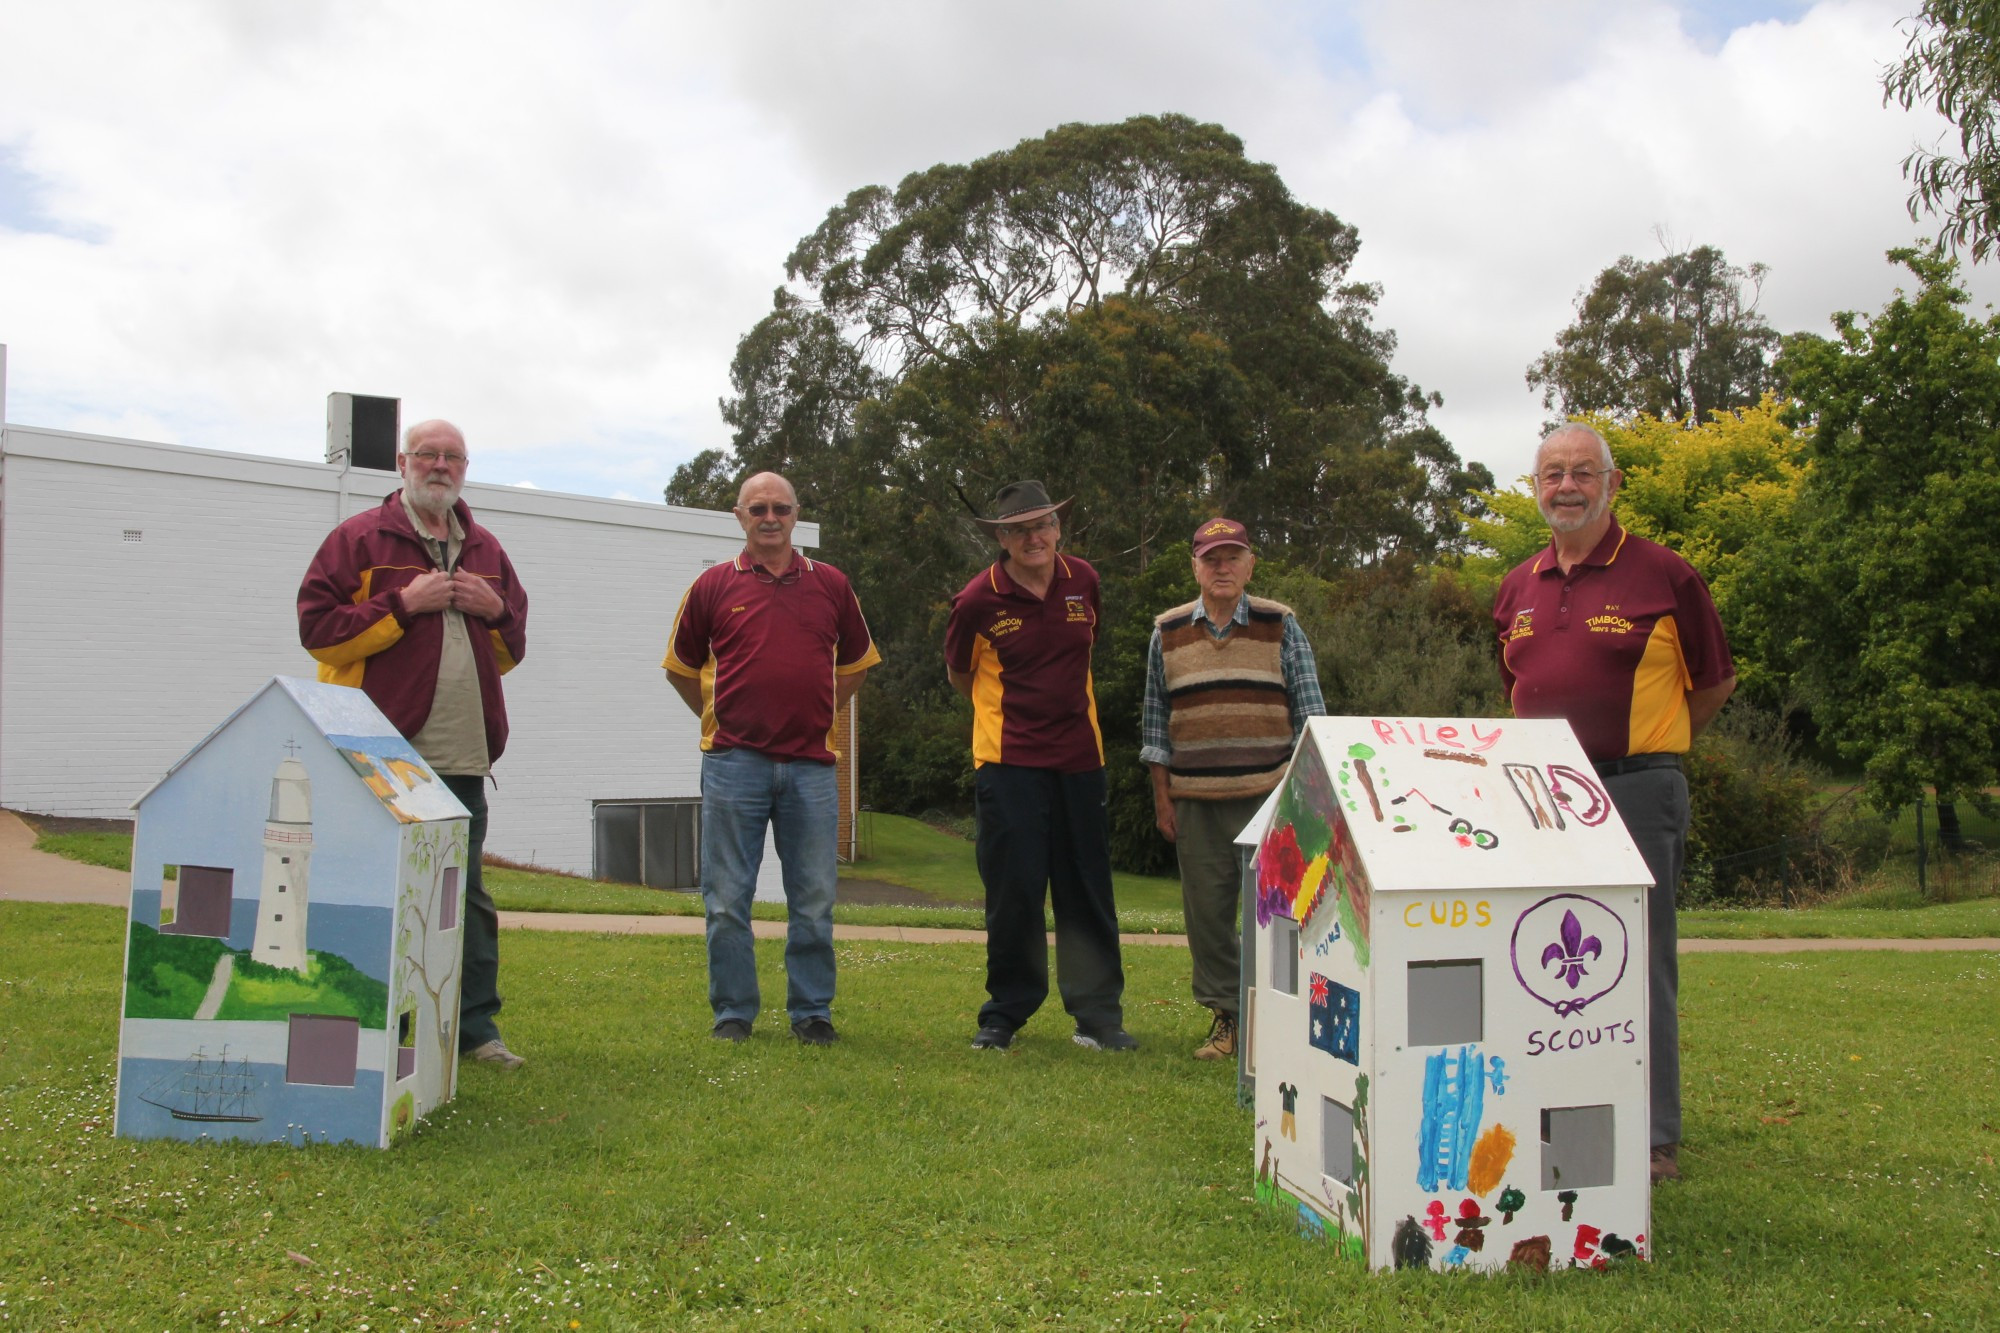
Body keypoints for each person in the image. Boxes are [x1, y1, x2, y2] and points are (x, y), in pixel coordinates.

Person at [1491, 423, 1736, 1183]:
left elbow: (1715, 680)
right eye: (1551, 474)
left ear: (1613, 482)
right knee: (1537, 951)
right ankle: (1552, 1101)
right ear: (1536, 487)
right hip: (1541, 795)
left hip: (1636, 789)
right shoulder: (1517, 584)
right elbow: (1516, 684)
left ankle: (1654, 1131)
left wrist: (1651, 751)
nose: (1566, 486)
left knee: (1639, 958)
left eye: (1582, 473)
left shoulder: (1664, 574)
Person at [299, 419, 530, 1069]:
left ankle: (477, 1029)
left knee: (465, 893)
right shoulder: (358, 541)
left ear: (464, 467)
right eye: (427, 454)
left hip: (463, 753)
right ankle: (361, 1012)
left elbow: (513, 646)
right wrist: (404, 604)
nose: (440, 465)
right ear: (402, 462)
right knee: (373, 881)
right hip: (380, 749)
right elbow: (318, 630)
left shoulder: (485, 548)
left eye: (452, 456)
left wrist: (495, 610)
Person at [664, 472, 879, 1046]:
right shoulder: (711, 586)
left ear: (795, 515)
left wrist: (823, 707)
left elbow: (857, 661)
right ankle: (733, 1013)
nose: (769, 517)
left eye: (780, 508)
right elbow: (680, 669)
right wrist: (720, 717)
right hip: (734, 765)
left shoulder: (831, 584)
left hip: (811, 766)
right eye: (757, 508)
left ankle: (812, 1013)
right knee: (728, 899)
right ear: (739, 516)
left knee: (813, 899)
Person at [944, 481, 1133, 1053]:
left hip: (1080, 760)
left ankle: (1097, 1018)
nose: (1034, 537)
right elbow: (961, 675)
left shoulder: (1085, 581)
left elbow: (1085, 649)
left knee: (1087, 891)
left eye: (1043, 525)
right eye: (1019, 528)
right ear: (1001, 538)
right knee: (1015, 892)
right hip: (1008, 765)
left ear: (1058, 528)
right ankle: (1004, 1015)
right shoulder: (977, 600)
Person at [1141, 517, 1325, 1061]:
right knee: (1207, 919)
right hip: (1195, 803)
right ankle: (1229, 1021)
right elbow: (1156, 723)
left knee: (1285, 917)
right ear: (1195, 567)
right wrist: (1162, 797)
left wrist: (1302, 798)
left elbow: (1311, 718)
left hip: (1270, 800)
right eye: (1211, 559)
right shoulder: (1167, 631)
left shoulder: (1281, 624)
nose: (1222, 568)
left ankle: (1288, 1023)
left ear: (1250, 564)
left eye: (1232, 557)